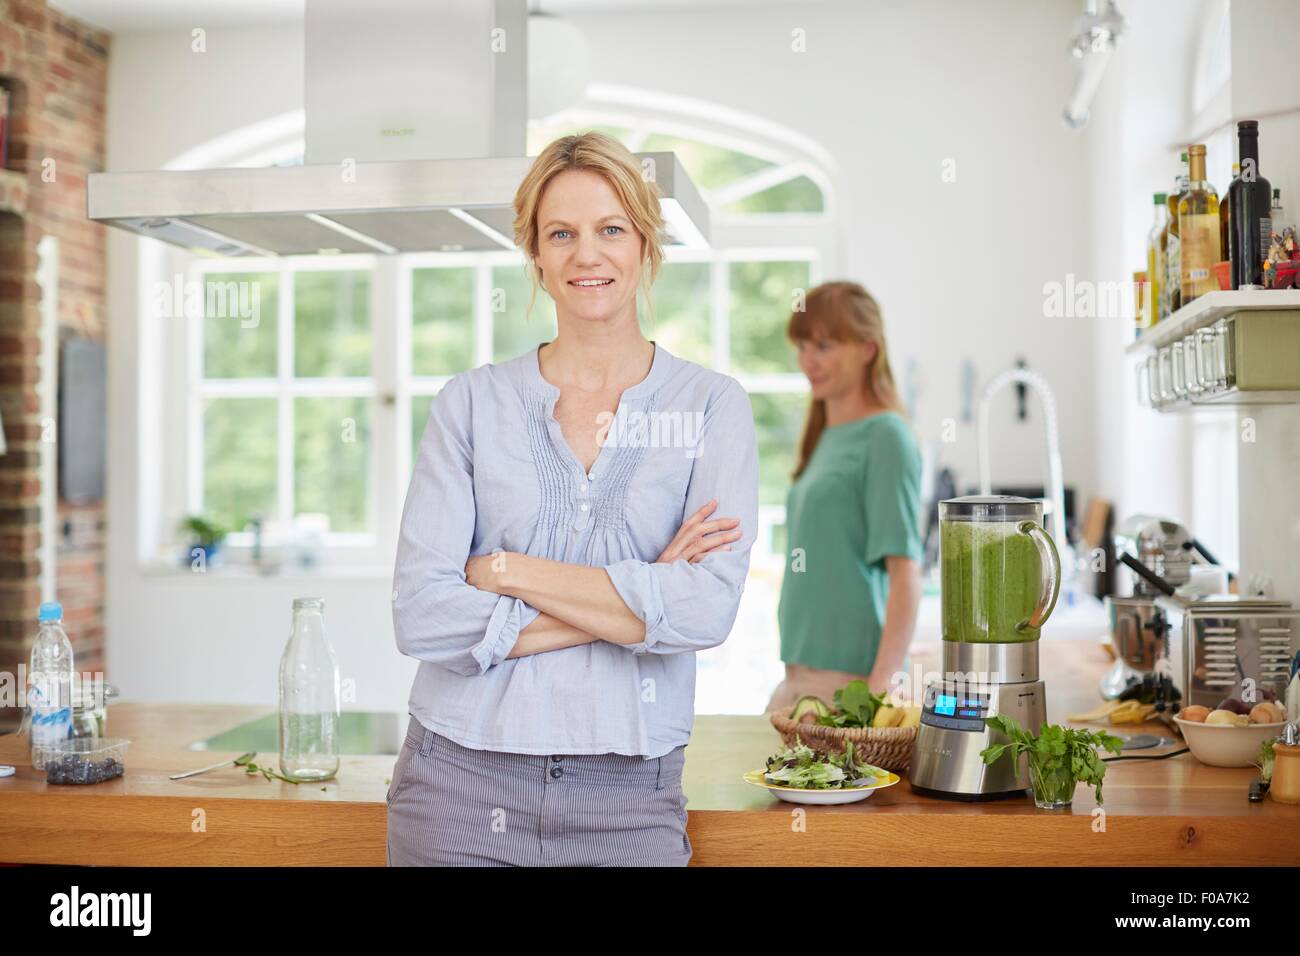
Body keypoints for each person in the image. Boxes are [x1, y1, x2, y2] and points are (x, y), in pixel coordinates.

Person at [387, 131, 759, 866]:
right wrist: (638, 600)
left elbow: (706, 611)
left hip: (627, 796)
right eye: (562, 233)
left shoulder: (714, 406)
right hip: (456, 783)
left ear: (646, 247)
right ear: (536, 255)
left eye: (610, 229)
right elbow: (421, 617)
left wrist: (504, 570)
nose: (587, 255)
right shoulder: (469, 404)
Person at [765, 282, 923, 712]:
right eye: (801, 345)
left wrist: (880, 688)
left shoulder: (886, 436)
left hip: (850, 682)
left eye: (824, 345)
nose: (807, 361)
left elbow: (905, 571)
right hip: (799, 675)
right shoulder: (825, 436)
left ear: (868, 349)